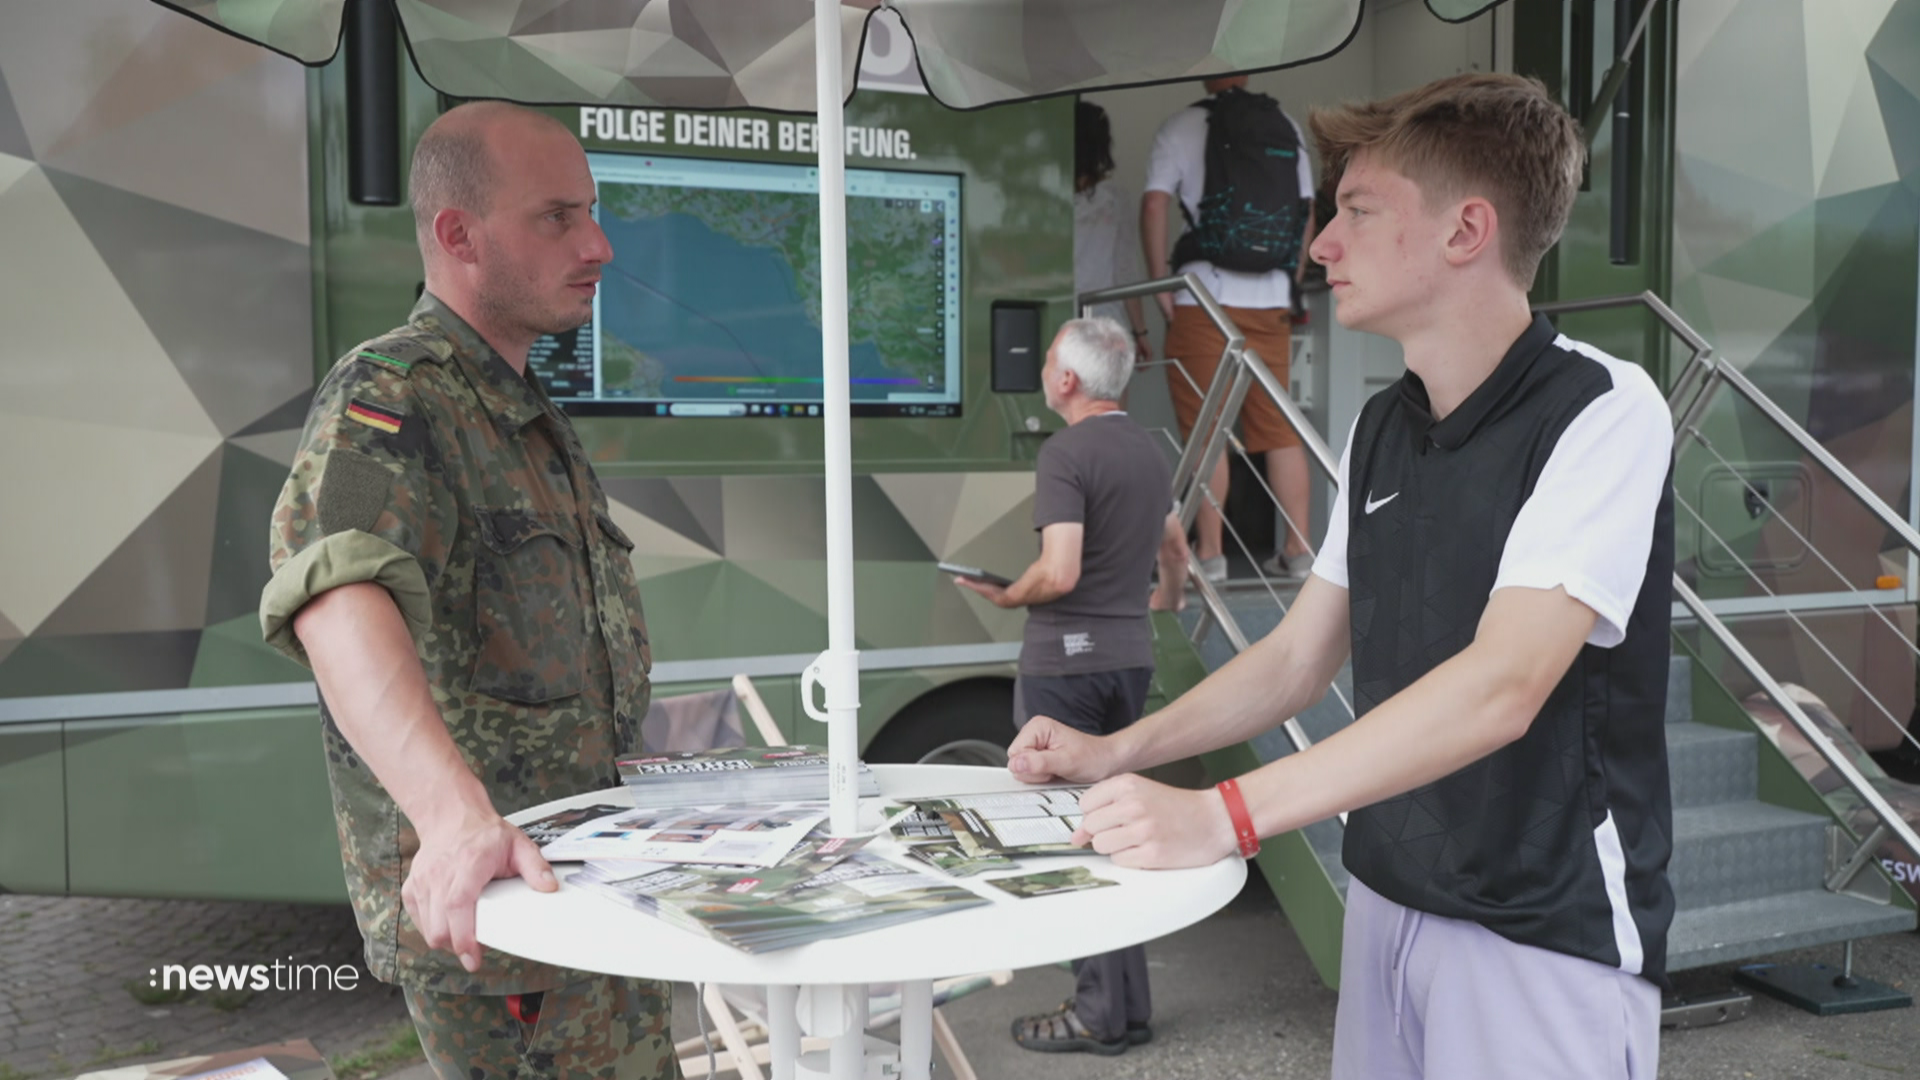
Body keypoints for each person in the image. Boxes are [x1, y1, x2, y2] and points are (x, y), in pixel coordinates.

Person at [1016, 74, 1675, 1079]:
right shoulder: (1380, 425)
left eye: (1357, 213)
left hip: (1539, 931)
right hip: (1387, 896)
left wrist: (1225, 816)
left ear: (1466, 232)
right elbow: (1294, 661)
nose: (1318, 245)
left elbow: (1504, 687)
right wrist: (1119, 751)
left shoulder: (1604, 408)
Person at [259, 101, 678, 1079]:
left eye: (593, 213)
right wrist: (451, 818)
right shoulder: (392, 396)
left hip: (593, 902)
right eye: (558, 217)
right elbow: (333, 580)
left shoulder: (524, 410)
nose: (601, 245)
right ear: (458, 235)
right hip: (503, 937)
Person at [952, 316, 1182, 1055]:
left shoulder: (1066, 451)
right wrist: (1163, 604)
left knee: (1074, 833)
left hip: (1065, 665)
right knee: (1118, 825)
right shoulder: (1149, 449)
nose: (1047, 367)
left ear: (1068, 381)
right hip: (1128, 656)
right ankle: (1127, 1007)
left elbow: (1060, 571)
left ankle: (1097, 1013)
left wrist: (1006, 595)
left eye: (1050, 358)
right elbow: (1174, 552)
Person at [1143, 75, 1317, 584]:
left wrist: (1160, 283)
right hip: (1270, 300)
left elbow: (1154, 203)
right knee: (1280, 429)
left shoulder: (1182, 125)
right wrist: (1292, 278)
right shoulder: (1283, 125)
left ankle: (1212, 554)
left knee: (1207, 428)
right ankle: (1299, 551)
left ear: (1207, 74)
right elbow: (1305, 212)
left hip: (1204, 298)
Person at [1073, 101, 1152, 371]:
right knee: (1108, 410)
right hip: (1104, 322)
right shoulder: (1114, 200)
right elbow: (1125, 270)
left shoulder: (1042, 199)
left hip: (1058, 318)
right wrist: (1140, 332)